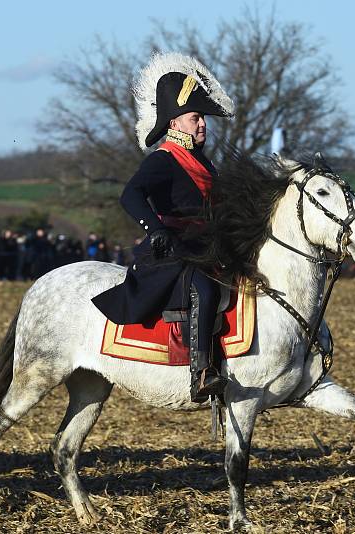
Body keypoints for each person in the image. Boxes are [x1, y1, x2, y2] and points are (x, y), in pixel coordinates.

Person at [92, 52, 235, 403]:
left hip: (207, 245)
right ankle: (201, 373)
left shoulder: (206, 163)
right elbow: (131, 195)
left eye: (203, 118)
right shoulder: (163, 158)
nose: (202, 124)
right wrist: (154, 228)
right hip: (173, 249)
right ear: (174, 123)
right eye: (195, 118)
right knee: (206, 288)